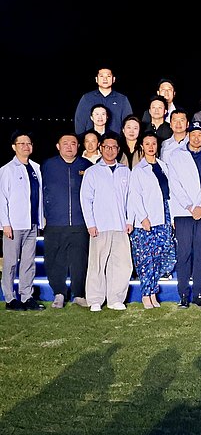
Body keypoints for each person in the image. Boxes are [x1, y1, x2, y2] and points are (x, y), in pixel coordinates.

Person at [166, 120, 201, 309]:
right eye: (193, 134)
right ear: (188, 135)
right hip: (183, 213)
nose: (197, 137)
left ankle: (197, 293)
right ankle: (183, 294)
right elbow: (174, 184)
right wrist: (190, 206)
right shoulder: (175, 155)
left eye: (200, 134)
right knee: (184, 253)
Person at [80, 132, 132, 311]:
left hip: (120, 225)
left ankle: (115, 299)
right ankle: (95, 299)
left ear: (118, 150)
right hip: (100, 226)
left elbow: (130, 199)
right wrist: (91, 224)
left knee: (122, 264)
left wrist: (129, 220)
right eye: (107, 147)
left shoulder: (125, 171)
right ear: (101, 148)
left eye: (114, 147)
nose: (110, 150)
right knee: (97, 263)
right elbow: (85, 199)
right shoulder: (92, 172)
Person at [41, 133, 92, 308]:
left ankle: (79, 294)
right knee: (55, 259)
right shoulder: (48, 165)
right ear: (58, 146)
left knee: (80, 259)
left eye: (73, 143)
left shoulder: (86, 165)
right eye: (65, 143)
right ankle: (59, 293)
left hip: (80, 222)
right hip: (55, 222)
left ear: (78, 146)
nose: (69, 146)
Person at [127, 132, 177, 309]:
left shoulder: (164, 166)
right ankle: (146, 294)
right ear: (142, 146)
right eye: (147, 144)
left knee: (160, 257)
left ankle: (154, 292)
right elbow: (134, 196)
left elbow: (170, 193)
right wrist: (142, 218)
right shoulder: (138, 170)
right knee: (146, 259)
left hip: (163, 215)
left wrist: (172, 217)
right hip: (146, 220)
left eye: (153, 144)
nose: (150, 147)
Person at [1, 131, 45, 311]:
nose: (26, 146)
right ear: (14, 147)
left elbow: (39, 196)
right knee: (11, 262)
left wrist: (41, 220)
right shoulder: (7, 170)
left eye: (29, 143)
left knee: (29, 262)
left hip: (32, 223)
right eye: (22, 144)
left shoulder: (36, 168)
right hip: (14, 224)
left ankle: (27, 296)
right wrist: (5, 223)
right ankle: (10, 298)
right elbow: (2, 198)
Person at [74, 67, 134, 136]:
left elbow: (129, 122)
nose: (105, 79)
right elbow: (79, 122)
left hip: (115, 141)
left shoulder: (122, 99)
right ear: (96, 79)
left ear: (113, 79)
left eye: (108, 76)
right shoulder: (87, 98)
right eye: (101, 76)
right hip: (92, 141)